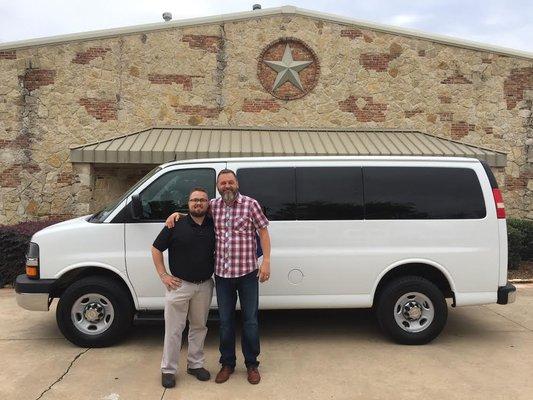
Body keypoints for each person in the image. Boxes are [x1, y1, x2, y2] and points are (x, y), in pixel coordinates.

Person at [166, 169, 271, 385]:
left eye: (230, 182)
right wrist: (176, 215)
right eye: (222, 183)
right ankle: (227, 364)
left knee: (250, 321)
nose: (227, 186)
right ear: (218, 186)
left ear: (237, 183)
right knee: (225, 322)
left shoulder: (251, 204)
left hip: (248, 273)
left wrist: (266, 261)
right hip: (222, 276)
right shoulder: (213, 205)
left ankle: (252, 364)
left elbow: (263, 232)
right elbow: (196, 212)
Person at [152, 187, 215, 389]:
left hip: (204, 285)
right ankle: (168, 370)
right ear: (188, 203)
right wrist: (163, 274)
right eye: (194, 200)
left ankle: (195, 365)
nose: (198, 203)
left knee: (199, 327)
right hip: (179, 286)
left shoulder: (213, 224)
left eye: (202, 200)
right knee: (173, 329)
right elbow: (156, 248)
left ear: (208, 204)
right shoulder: (176, 223)